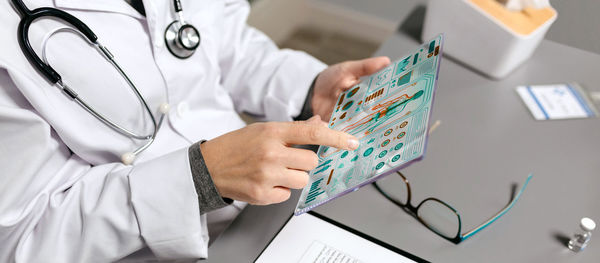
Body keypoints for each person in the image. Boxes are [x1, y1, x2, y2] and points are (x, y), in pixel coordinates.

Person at [0, 0, 390, 261]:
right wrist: (197, 179)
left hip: (272, 203)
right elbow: (23, 239)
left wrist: (308, 88)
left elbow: (220, 43)